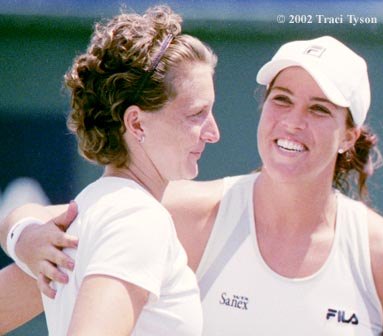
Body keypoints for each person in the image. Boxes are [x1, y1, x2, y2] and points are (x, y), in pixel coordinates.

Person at [1, 36, 383, 335]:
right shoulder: (175, 216)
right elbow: (44, 225)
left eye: (318, 108)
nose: (293, 122)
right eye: (281, 99)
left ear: (349, 135)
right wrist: (23, 237)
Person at [0, 4, 221, 335]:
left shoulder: (92, 210)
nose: (213, 132)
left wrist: (19, 234)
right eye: (196, 114)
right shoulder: (137, 218)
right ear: (136, 122)